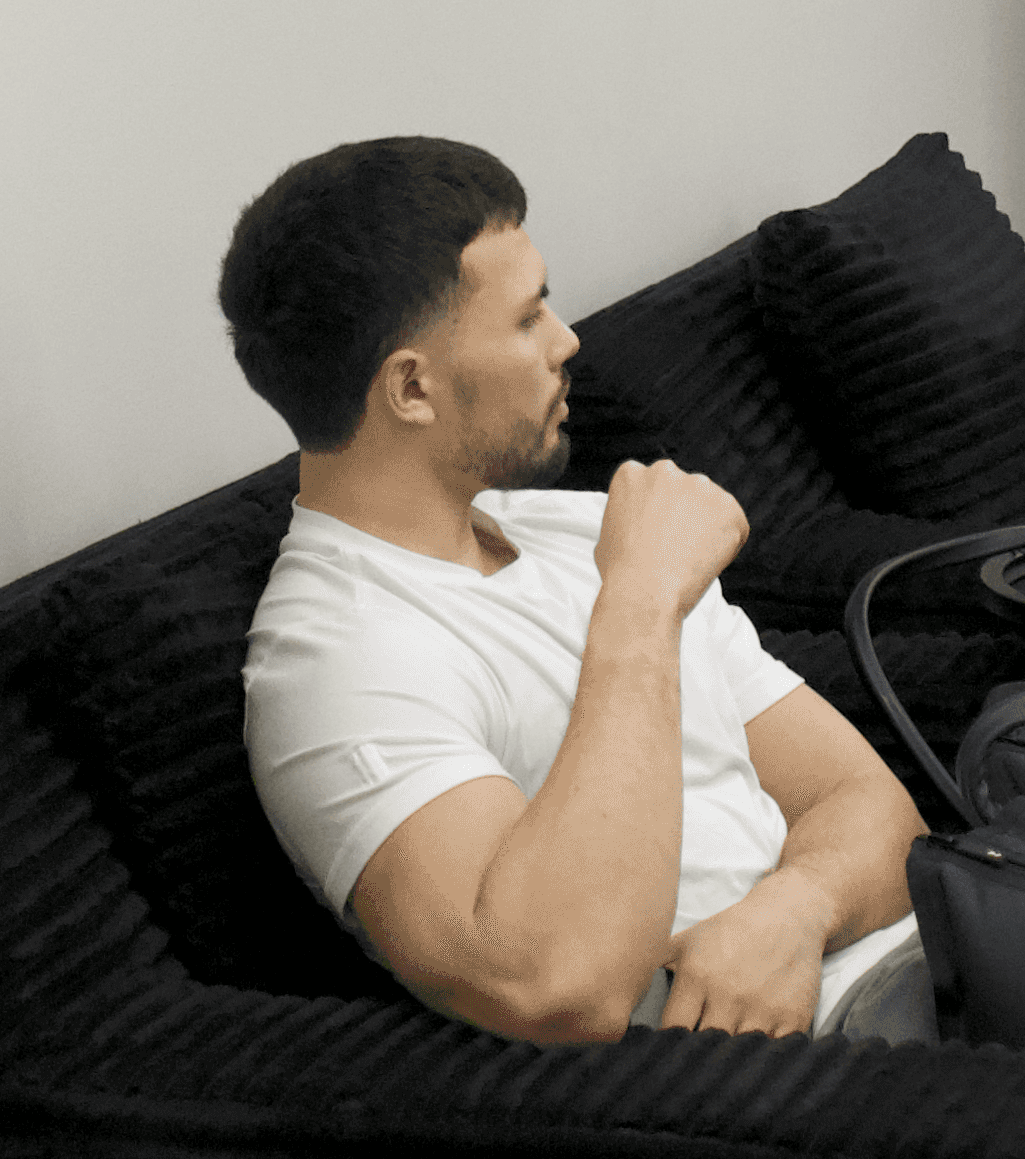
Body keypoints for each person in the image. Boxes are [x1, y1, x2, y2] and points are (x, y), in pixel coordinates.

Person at [223, 137, 934, 1044]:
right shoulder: (340, 661)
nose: (568, 341)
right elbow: (558, 984)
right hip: (845, 1066)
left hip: (932, 953)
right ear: (411, 388)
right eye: (527, 320)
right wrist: (640, 599)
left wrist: (793, 910)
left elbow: (876, 811)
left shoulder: (574, 530)